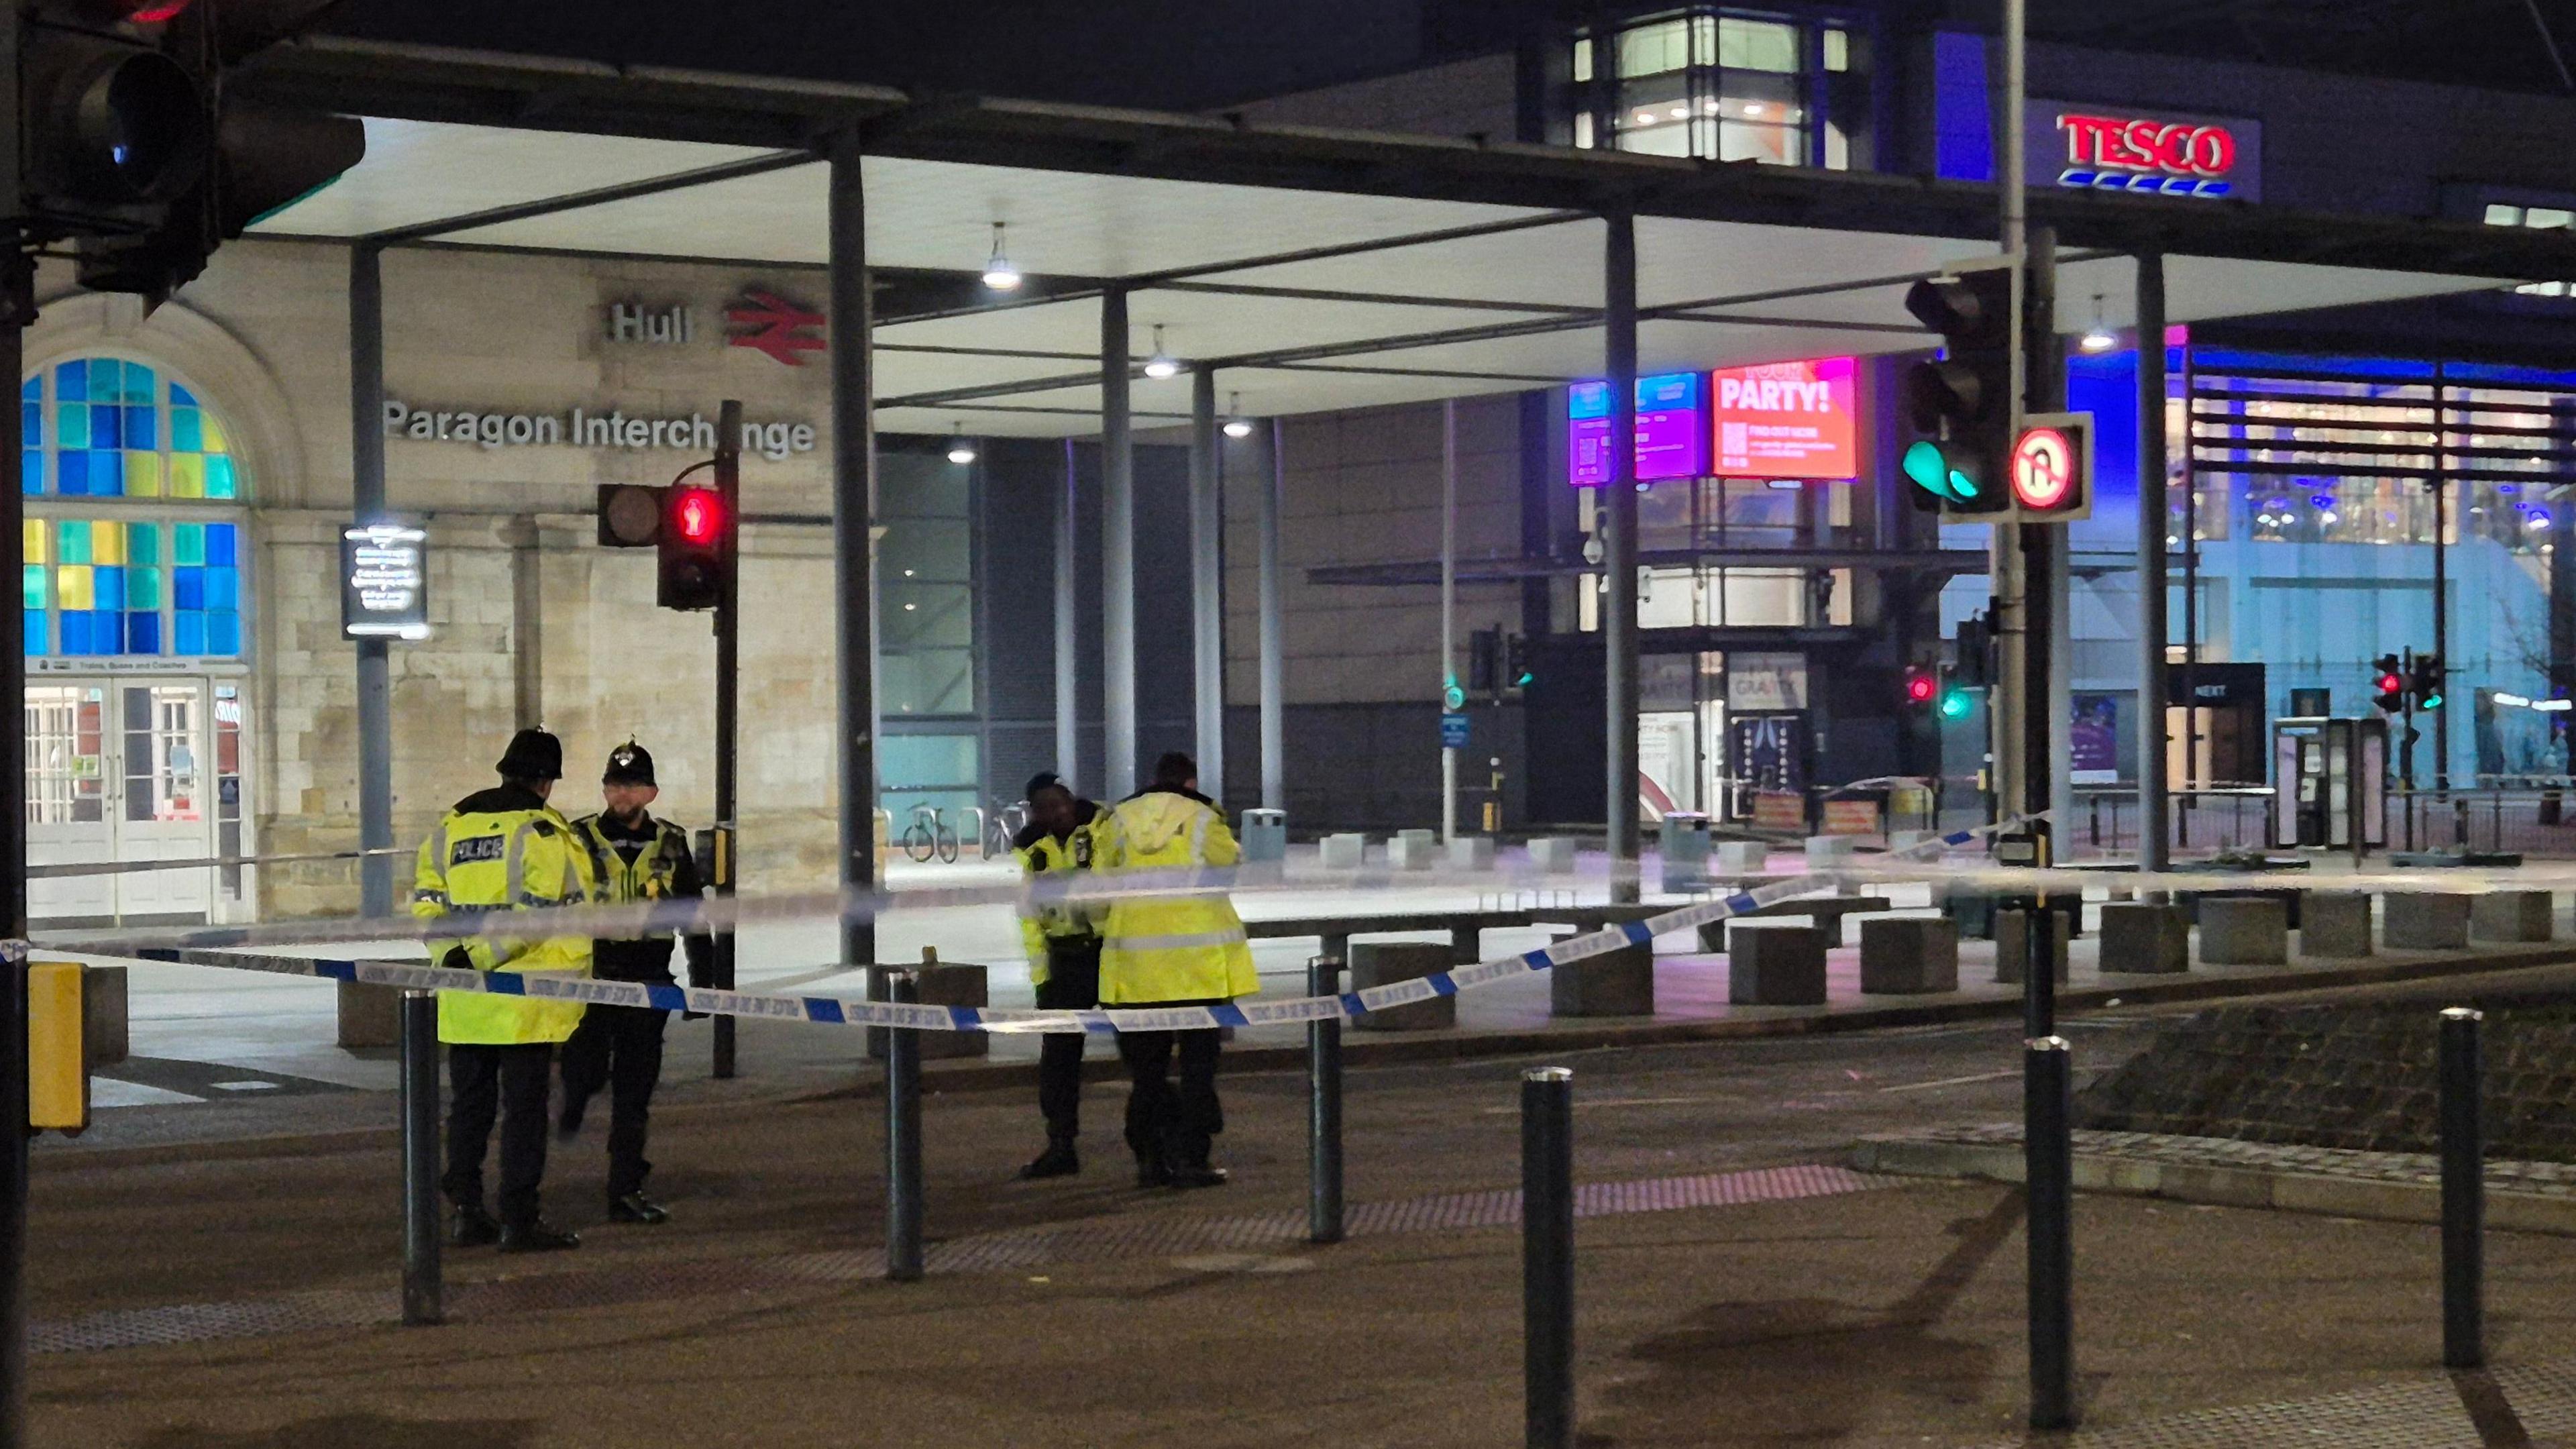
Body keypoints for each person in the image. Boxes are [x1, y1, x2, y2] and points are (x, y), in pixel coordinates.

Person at [412, 727, 596, 1252]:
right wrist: (483, 958)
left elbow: (427, 898)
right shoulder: (541, 831)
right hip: (522, 1000)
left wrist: (450, 955)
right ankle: (520, 1218)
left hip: (464, 999)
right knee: (524, 1111)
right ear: (546, 781)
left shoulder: (450, 828)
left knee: (469, 1107)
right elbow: (538, 913)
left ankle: (467, 1211)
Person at [559, 741, 713, 1226]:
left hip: (649, 978)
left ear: (650, 792)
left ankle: (625, 1187)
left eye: (630, 786)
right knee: (582, 1072)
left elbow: (691, 913)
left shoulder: (671, 841)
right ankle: (571, 1108)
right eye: (613, 785)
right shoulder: (577, 836)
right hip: (593, 976)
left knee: (635, 1092)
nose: (620, 795)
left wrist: (703, 983)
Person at [1095, 751, 1257, 1189]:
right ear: (1189, 782)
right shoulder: (1203, 817)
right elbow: (1229, 869)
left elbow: (1099, 885)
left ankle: (1150, 1158)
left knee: (1147, 1074)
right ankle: (1193, 1158)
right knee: (1198, 1070)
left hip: (1135, 973)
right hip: (1197, 970)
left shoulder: (1119, 819)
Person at [1010, 772, 1105, 1180]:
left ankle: (1156, 1149)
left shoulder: (1105, 830)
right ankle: (1061, 1145)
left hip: (1111, 954)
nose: (1056, 812)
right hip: (1065, 961)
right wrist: (1042, 977)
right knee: (1059, 1062)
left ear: (1071, 798)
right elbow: (1030, 919)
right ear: (1035, 812)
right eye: (1045, 807)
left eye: (1060, 802)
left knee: (1144, 1052)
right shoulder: (1032, 850)